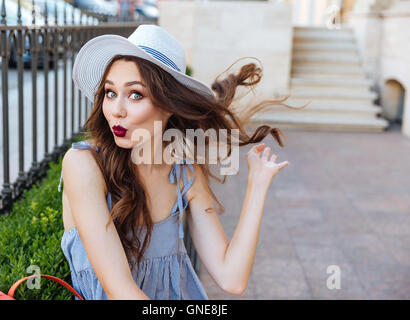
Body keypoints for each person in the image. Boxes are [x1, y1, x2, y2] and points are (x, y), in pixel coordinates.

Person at [58, 24, 304, 300]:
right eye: (110, 92)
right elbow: (120, 291)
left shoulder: (184, 172)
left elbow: (232, 277)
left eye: (135, 94)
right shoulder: (84, 164)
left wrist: (257, 186)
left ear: (168, 104)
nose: (116, 110)